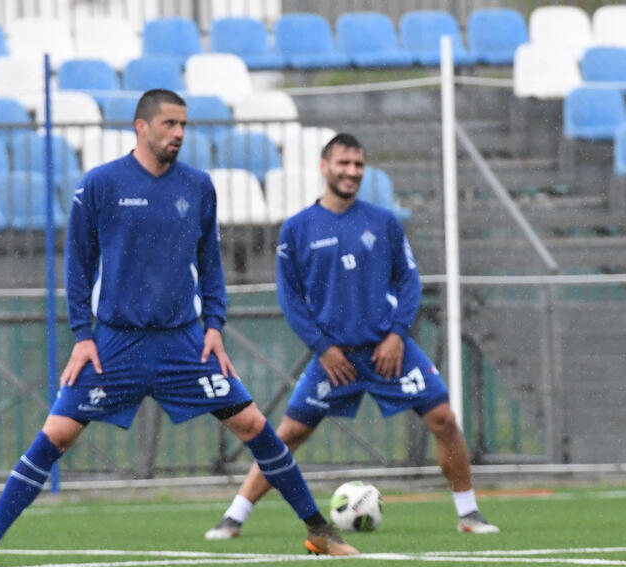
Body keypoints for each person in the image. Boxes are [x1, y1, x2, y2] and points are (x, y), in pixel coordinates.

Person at [0, 89, 356, 567]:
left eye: (183, 125)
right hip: (115, 344)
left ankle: (318, 529)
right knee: (56, 435)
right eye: (169, 124)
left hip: (184, 344)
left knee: (254, 424)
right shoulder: (100, 185)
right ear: (141, 126)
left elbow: (210, 263)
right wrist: (83, 335)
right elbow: (78, 266)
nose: (178, 133)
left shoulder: (197, 186)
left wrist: (214, 325)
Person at [205, 133, 499, 539]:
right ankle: (235, 515)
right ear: (324, 167)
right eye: (343, 164)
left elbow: (409, 281)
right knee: (288, 435)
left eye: (358, 165)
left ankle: (469, 514)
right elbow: (290, 298)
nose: (352, 172)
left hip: (388, 352)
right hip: (334, 359)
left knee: (444, 418)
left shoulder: (383, 222)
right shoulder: (297, 228)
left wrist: (397, 335)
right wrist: (323, 348)